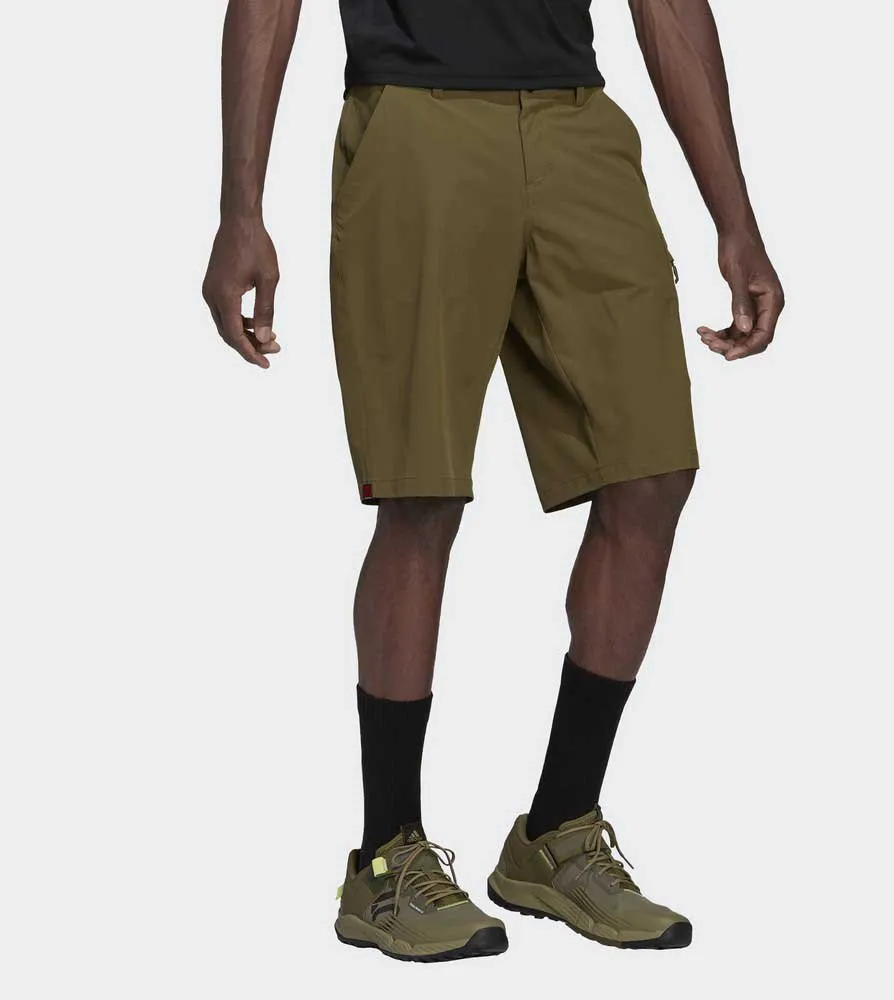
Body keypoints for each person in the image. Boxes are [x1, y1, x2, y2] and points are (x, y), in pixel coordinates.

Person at [203, 0, 784, 962]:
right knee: (420, 493)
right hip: (413, 117)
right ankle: (386, 862)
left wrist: (737, 218)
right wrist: (240, 209)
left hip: (576, 121)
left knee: (652, 472)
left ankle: (558, 832)